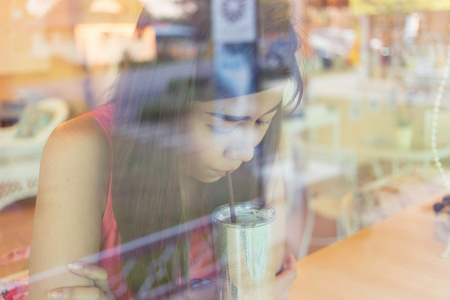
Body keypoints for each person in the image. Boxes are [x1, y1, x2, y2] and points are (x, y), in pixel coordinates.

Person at [28, 1, 303, 299]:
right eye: (223, 123)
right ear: (160, 105)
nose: (247, 152)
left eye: (263, 120)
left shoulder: (257, 153)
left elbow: (268, 280)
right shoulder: (83, 149)